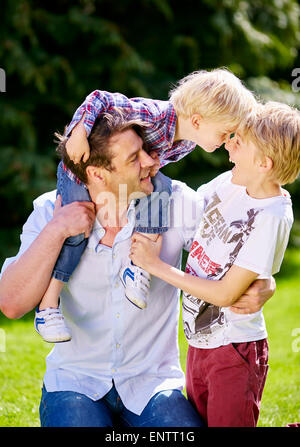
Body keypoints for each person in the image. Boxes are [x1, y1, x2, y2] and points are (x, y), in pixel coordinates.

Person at [0, 111, 274, 427]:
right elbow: (11, 303)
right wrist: (56, 230)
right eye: (134, 158)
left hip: (153, 383)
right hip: (74, 382)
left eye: (143, 149)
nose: (150, 161)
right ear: (98, 174)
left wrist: (266, 285)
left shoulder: (174, 202)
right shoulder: (52, 210)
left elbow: (236, 254)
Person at [35, 68, 258, 343]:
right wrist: (80, 129)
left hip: (122, 179)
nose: (226, 141)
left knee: (160, 190)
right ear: (198, 121)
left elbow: (149, 172)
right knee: (76, 232)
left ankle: (136, 266)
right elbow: (99, 98)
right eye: (224, 134)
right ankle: (48, 303)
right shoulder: (154, 115)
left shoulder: (185, 143)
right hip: (80, 169)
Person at [129, 101, 300, 427]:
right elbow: (185, 206)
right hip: (198, 342)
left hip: (233, 347)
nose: (229, 143)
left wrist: (156, 267)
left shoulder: (273, 215)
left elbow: (225, 294)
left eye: (240, 140)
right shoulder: (230, 183)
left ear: (264, 163)